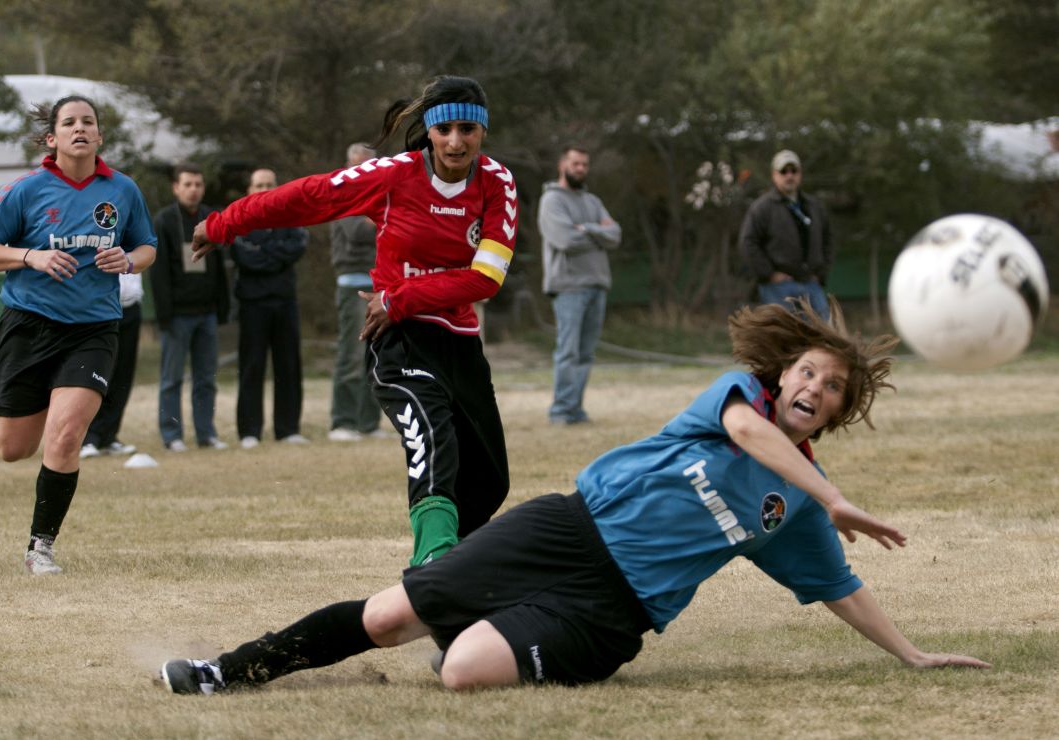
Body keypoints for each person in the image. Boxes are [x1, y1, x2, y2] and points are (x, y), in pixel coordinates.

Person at [159, 297, 990, 694]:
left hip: (611, 613)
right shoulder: (737, 397)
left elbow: (839, 588)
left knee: (465, 675)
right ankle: (226, 671)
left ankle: (469, 633)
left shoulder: (795, 511)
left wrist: (914, 655)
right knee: (385, 619)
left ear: (841, 409)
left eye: (833, 386)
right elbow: (751, 439)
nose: (815, 386)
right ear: (783, 375)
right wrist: (835, 494)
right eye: (808, 371)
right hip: (563, 531)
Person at [188, 75, 518, 566]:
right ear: (428, 130)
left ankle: (453, 573)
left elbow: (486, 280)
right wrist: (225, 222)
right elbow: (310, 195)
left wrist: (399, 296)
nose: (455, 141)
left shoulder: (498, 182)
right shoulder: (392, 175)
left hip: (456, 340)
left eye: (467, 130)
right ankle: (430, 566)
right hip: (397, 339)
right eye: (445, 128)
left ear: (482, 132)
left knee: (490, 480)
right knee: (432, 436)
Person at [0, 95, 156, 575]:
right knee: (13, 448)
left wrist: (129, 260)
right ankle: (45, 397)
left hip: (92, 329)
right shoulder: (26, 190)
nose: (79, 128)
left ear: (99, 135)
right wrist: (31, 256)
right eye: (68, 122)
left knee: (67, 436)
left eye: (88, 122)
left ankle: (40, 547)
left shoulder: (123, 190)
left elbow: (147, 244)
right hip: (28, 327)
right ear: (51, 138)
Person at [149, 162, 231, 452]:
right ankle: (172, 436)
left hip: (206, 313)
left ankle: (206, 434)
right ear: (176, 187)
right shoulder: (164, 220)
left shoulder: (212, 217)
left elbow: (219, 267)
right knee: (171, 379)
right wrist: (165, 315)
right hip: (178, 316)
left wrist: (222, 307)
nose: (193, 190)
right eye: (187, 184)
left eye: (198, 184)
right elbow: (158, 274)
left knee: (206, 378)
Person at [538, 145, 621, 425]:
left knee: (585, 353)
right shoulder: (552, 201)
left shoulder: (593, 201)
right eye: (575, 164)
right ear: (563, 164)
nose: (581, 169)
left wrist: (589, 229)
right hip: (568, 286)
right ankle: (560, 411)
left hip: (597, 284)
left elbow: (615, 234)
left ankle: (576, 409)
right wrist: (599, 234)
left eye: (585, 164)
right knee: (568, 351)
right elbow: (565, 240)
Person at [230, 168, 309, 449]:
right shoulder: (240, 217)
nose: (264, 188)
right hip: (252, 304)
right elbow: (242, 256)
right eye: (259, 184)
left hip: (284, 301)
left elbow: (296, 248)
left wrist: (263, 252)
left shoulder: (290, 215)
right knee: (252, 366)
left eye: (269, 184)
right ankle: (249, 430)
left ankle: (288, 428)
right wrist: (274, 254)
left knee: (288, 365)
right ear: (249, 189)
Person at [327, 143, 385, 442]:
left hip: (378, 284)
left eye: (370, 165)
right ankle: (343, 422)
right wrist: (380, 220)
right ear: (348, 165)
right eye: (359, 165)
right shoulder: (343, 194)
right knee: (350, 354)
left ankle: (368, 423)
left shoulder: (377, 196)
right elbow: (358, 232)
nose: (364, 171)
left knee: (374, 356)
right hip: (352, 285)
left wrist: (375, 218)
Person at [738, 149, 833, 320]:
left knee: (823, 339)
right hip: (778, 288)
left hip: (811, 284)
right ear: (774, 175)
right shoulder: (762, 207)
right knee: (786, 342)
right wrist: (769, 274)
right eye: (783, 171)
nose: (789, 176)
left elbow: (828, 240)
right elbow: (748, 243)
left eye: (793, 170)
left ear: (800, 174)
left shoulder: (814, 206)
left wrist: (820, 273)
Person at [80, 271, 143, 458]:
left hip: (130, 305)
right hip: (99, 307)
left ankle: (109, 435)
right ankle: (87, 438)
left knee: (123, 374)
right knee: (95, 374)